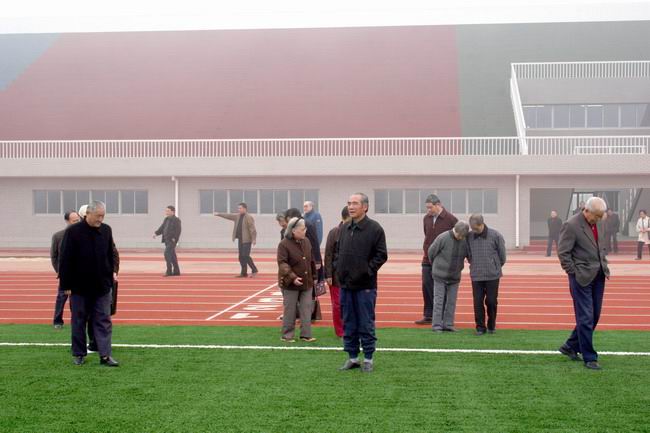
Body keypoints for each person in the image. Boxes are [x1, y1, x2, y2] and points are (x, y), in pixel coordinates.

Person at [59, 201, 119, 367]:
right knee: (79, 321)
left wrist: (112, 273)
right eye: (98, 216)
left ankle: (105, 355)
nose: (100, 219)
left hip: (102, 286)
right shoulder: (73, 231)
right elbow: (65, 259)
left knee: (104, 321)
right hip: (79, 287)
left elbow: (111, 254)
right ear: (88, 214)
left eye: (103, 216)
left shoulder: (106, 230)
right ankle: (79, 354)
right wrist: (66, 285)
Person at [336, 193, 387, 373]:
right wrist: (338, 269)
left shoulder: (375, 229)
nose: (351, 206)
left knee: (365, 323)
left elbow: (381, 255)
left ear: (365, 207)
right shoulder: (344, 227)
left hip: (365, 287)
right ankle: (352, 357)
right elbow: (338, 252)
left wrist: (366, 271)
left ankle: (368, 358)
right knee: (348, 322)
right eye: (349, 203)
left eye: (355, 203)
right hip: (346, 286)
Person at [557, 197, 609, 370]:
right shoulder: (571, 225)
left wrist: (603, 262)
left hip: (599, 274)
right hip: (581, 277)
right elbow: (563, 252)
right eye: (596, 216)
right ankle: (589, 357)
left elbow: (599, 245)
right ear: (586, 211)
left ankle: (570, 345)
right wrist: (573, 272)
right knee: (585, 317)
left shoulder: (598, 222)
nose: (598, 219)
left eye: (600, 216)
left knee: (594, 315)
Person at [415, 194, 458, 325]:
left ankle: (442, 316)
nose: (428, 210)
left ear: (438, 205)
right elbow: (427, 235)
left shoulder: (451, 219)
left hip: (442, 259)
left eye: (430, 207)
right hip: (427, 257)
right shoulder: (426, 218)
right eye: (427, 208)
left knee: (441, 288)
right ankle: (428, 315)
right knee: (426, 284)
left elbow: (456, 238)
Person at [277, 217, 317, 343]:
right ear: (293, 230)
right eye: (303, 229)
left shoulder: (307, 241)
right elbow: (282, 263)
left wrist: (315, 276)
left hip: (307, 282)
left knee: (306, 308)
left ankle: (306, 334)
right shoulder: (283, 244)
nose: (305, 231)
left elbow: (311, 260)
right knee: (290, 309)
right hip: (290, 284)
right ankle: (287, 335)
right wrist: (293, 277)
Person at [467, 214, 506, 335]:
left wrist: (494, 266)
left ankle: (491, 325)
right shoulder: (469, 237)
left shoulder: (496, 235)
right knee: (477, 302)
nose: (474, 231)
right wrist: (474, 263)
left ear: (481, 224)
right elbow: (468, 254)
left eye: (476, 228)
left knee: (491, 301)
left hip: (492, 275)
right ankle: (480, 327)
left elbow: (502, 256)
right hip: (476, 274)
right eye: (472, 228)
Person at [428, 221, 470, 333]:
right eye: (459, 235)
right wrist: (436, 266)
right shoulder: (443, 237)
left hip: (455, 276)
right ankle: (436, 325)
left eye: (463, 236)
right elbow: (431, 252)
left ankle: (448, 324)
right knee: (439, 301)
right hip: (439, 275)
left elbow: (468, 255)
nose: (461, 238)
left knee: (452, 301)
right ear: (455, 230)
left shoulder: (465, 240)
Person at [50, 210, 81, 329]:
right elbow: (54, 256)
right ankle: (57, 321)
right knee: (61, 297)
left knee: (76, 299)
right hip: (65, 274)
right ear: (67, 221)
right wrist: (59, 271)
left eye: (78, 220)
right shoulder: (58, 236)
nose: (77, 222)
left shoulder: (83, 235)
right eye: (74, 221)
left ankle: (76, 320)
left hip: (79, 274)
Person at [324, 206, 350, 338]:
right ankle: (340, 331)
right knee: (338, 304)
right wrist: (328, 275)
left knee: (350, 303)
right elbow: (328, 254)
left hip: (351, 275)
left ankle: (350, 327)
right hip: (336, 275)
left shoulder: (354, 231)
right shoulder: (334, 232)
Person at [215, 203, 258, 277]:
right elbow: (228, 216)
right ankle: (243, 273)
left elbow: (252, 229)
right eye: (238, 208)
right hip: (240, 239)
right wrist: (219, 214)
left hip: (247, 240)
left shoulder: (249, 217)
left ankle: (254, 270)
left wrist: (254, 239)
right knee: (241, 257)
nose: (239, 209)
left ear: (245, 209)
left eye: (240, 208)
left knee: (245, 256)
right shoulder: (237, 216)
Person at [153, 205, 182, 276]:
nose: (166, 212)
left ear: (173, 212)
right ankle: (177, 271)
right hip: (166, 240)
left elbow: (178, 230)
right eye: (166, 211)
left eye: (168, 211)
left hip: (172, 241)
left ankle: (169, 271)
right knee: (172, 256)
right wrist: (156, 233)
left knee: (167, 253)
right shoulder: (166, 219)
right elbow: (162, 228)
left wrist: (175, 238)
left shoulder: (176, 220)